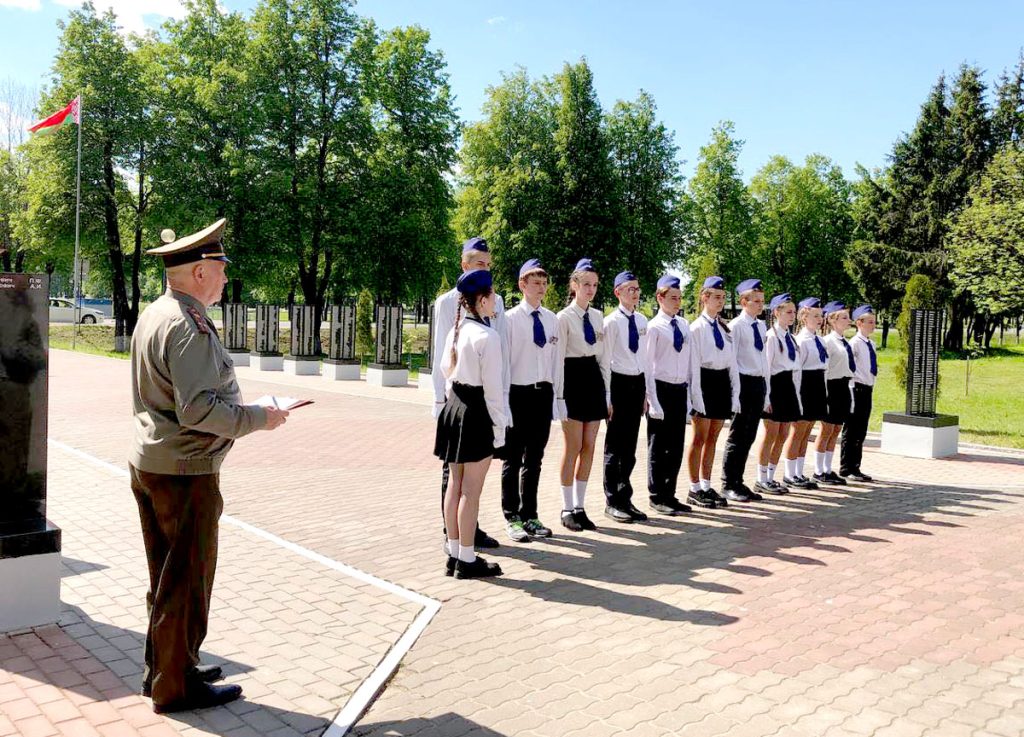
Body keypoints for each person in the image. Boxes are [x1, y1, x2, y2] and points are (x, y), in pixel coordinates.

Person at [130, 219, 289, 713]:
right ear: (199, 272)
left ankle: (166, 668)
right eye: (220, 269)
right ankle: (175, 688)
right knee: (187, 579)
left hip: (155, 461)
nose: (225, 278)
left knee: (166, 575)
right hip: (185, 470)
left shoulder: (158, 312)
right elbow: (199, 409)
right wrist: (260, 418)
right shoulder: (188, 324)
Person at [431, 237, 504, 549]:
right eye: (479, 264)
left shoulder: (482, 314)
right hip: (468, 401)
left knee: (460, 484)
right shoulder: (449, 304)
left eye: (488, 265)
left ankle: (461, 540)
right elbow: (440, 360)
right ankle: (460, 543)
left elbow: (451, 364)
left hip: (462, 397)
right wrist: (440, 401)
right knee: (462, 484)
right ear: (465, 265)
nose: (485, 269)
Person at [501, 259, 558, 542]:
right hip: (517, 393)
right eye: (536, 283)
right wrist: (503, 403)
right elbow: (505, 364)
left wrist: (557, 398)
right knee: (512, 458)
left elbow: (554, 361)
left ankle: (530, 514)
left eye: (544, 284)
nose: (541, 288)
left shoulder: (551, 319)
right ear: (522, 285)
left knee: (535, 458)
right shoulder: (510, 320)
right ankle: (511, 516)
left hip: (542, 393)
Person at [553, 259, 609, 532]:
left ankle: (580, 506)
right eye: (586, 284)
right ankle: (566, 507)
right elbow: (559, 360)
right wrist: (560, 398)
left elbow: (603, 358)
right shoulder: (563, 318)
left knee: (589, 446)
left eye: (595, 285)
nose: (591, 289)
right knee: (572, 446)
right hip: (572, 379)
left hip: (593, 380)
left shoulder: (598, 317)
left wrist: (607, 395)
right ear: (574, 285)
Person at [602, 271, 656, 523]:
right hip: (619, 383)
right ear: (618, 293)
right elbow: (605, 360)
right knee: (615, 446)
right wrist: (608, 397)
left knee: (631, 448)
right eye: (629, 289)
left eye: (637, 289)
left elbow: (644, 359)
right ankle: (612, 500)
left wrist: (645, 392)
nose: (634, 293)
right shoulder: (611, 322)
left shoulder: (643, 321)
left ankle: (626, 497)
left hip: (636, 383)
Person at [686, 276, 739, 509]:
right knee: (699, 438)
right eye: (716, 297)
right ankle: (694, 487)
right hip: (704, 381)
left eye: (723, 297)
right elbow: (694, 365)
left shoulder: (724, 327)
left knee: (713, 439)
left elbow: (731, 362)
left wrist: (734, 392)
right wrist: (696, 396)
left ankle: (707, 485)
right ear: (704, 298)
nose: (721, 302)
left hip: (720, 382)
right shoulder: (696, 328)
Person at [644, 275, 693, 516]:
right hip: (660, 388)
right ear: (660, 298)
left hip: (678, 389)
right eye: (673, 298)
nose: (677, 302)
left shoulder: (683, 325)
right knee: (658, 445)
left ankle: (670, 493)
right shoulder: (654, 327)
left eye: (679, 297)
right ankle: (657, 495)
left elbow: (688, 362)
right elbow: (648, 365)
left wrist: (690, 396)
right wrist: (652, 400)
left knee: (675, 446)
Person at [720, 279, 770, 502]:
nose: (760, 305)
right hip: (743, 382)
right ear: (743, 302)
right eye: (756, 301)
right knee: (738, 435)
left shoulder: (760, 325)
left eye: (762, 301)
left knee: (750, 435)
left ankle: (739, 481)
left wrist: (765, 390)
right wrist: (735, 392)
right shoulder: (737, 326)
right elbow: (733, 360)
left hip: (758, 382)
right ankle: (728, 483)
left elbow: (763, 359)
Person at [754, 293, 801, 495]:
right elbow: (767, 367)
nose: (792, 316)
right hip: (775, 385)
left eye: (794, 312)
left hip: (788, 385)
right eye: (788, 312)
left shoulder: (790, 337)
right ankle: (761, 477)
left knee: (783, 433)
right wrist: (767, 397)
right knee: (771, 433)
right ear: (776, 313)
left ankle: (771, 476)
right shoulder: (771, 337)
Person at [783, 297, 827, 489]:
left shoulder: (818, 339)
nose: (820, 319)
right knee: (798, 431)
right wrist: (798, 396)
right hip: (805, 386)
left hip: (817, 384)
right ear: (804, 317)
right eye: (815, 316)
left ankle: (799, 472)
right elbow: (798, 369)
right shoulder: (801, 340)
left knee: (807, 430)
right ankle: (789, 473)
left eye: (821, 316)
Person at [813, 301, 855, 486]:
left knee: (836, 429)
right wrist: (824, 394)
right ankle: (818, 470)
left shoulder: (844, 342)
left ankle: (828, 469)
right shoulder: (828, 342)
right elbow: (826, 369)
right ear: (832, 320)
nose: (848, 320)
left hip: (843, 386)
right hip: (831, 386)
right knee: (826, 429)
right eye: (844, 317)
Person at [840, 304, 878, 482]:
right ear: (859, 323)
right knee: (852, 429)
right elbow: (851, 369)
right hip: (856, 388)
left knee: (861, 430)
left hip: (867, 389)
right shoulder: (854, 344)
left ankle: (856, 465)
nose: (873, 325)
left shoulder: (871, 344)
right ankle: (847, 466)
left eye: (874, 322)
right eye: (869, 322)